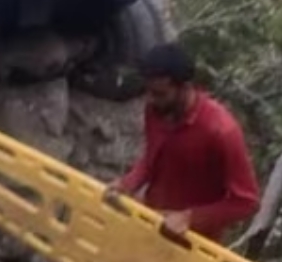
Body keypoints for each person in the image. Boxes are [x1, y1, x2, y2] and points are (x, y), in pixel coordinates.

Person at [104, 43, 260, 242]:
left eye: (160, 94)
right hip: (152, 225)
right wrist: (127, 184)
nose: (151, 100)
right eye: (149, 92)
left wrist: (190, 218)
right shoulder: (155, 111)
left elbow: (247, 202)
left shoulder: (222, 131)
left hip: (193, 244)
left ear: (185, 87)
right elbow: (153, 160)